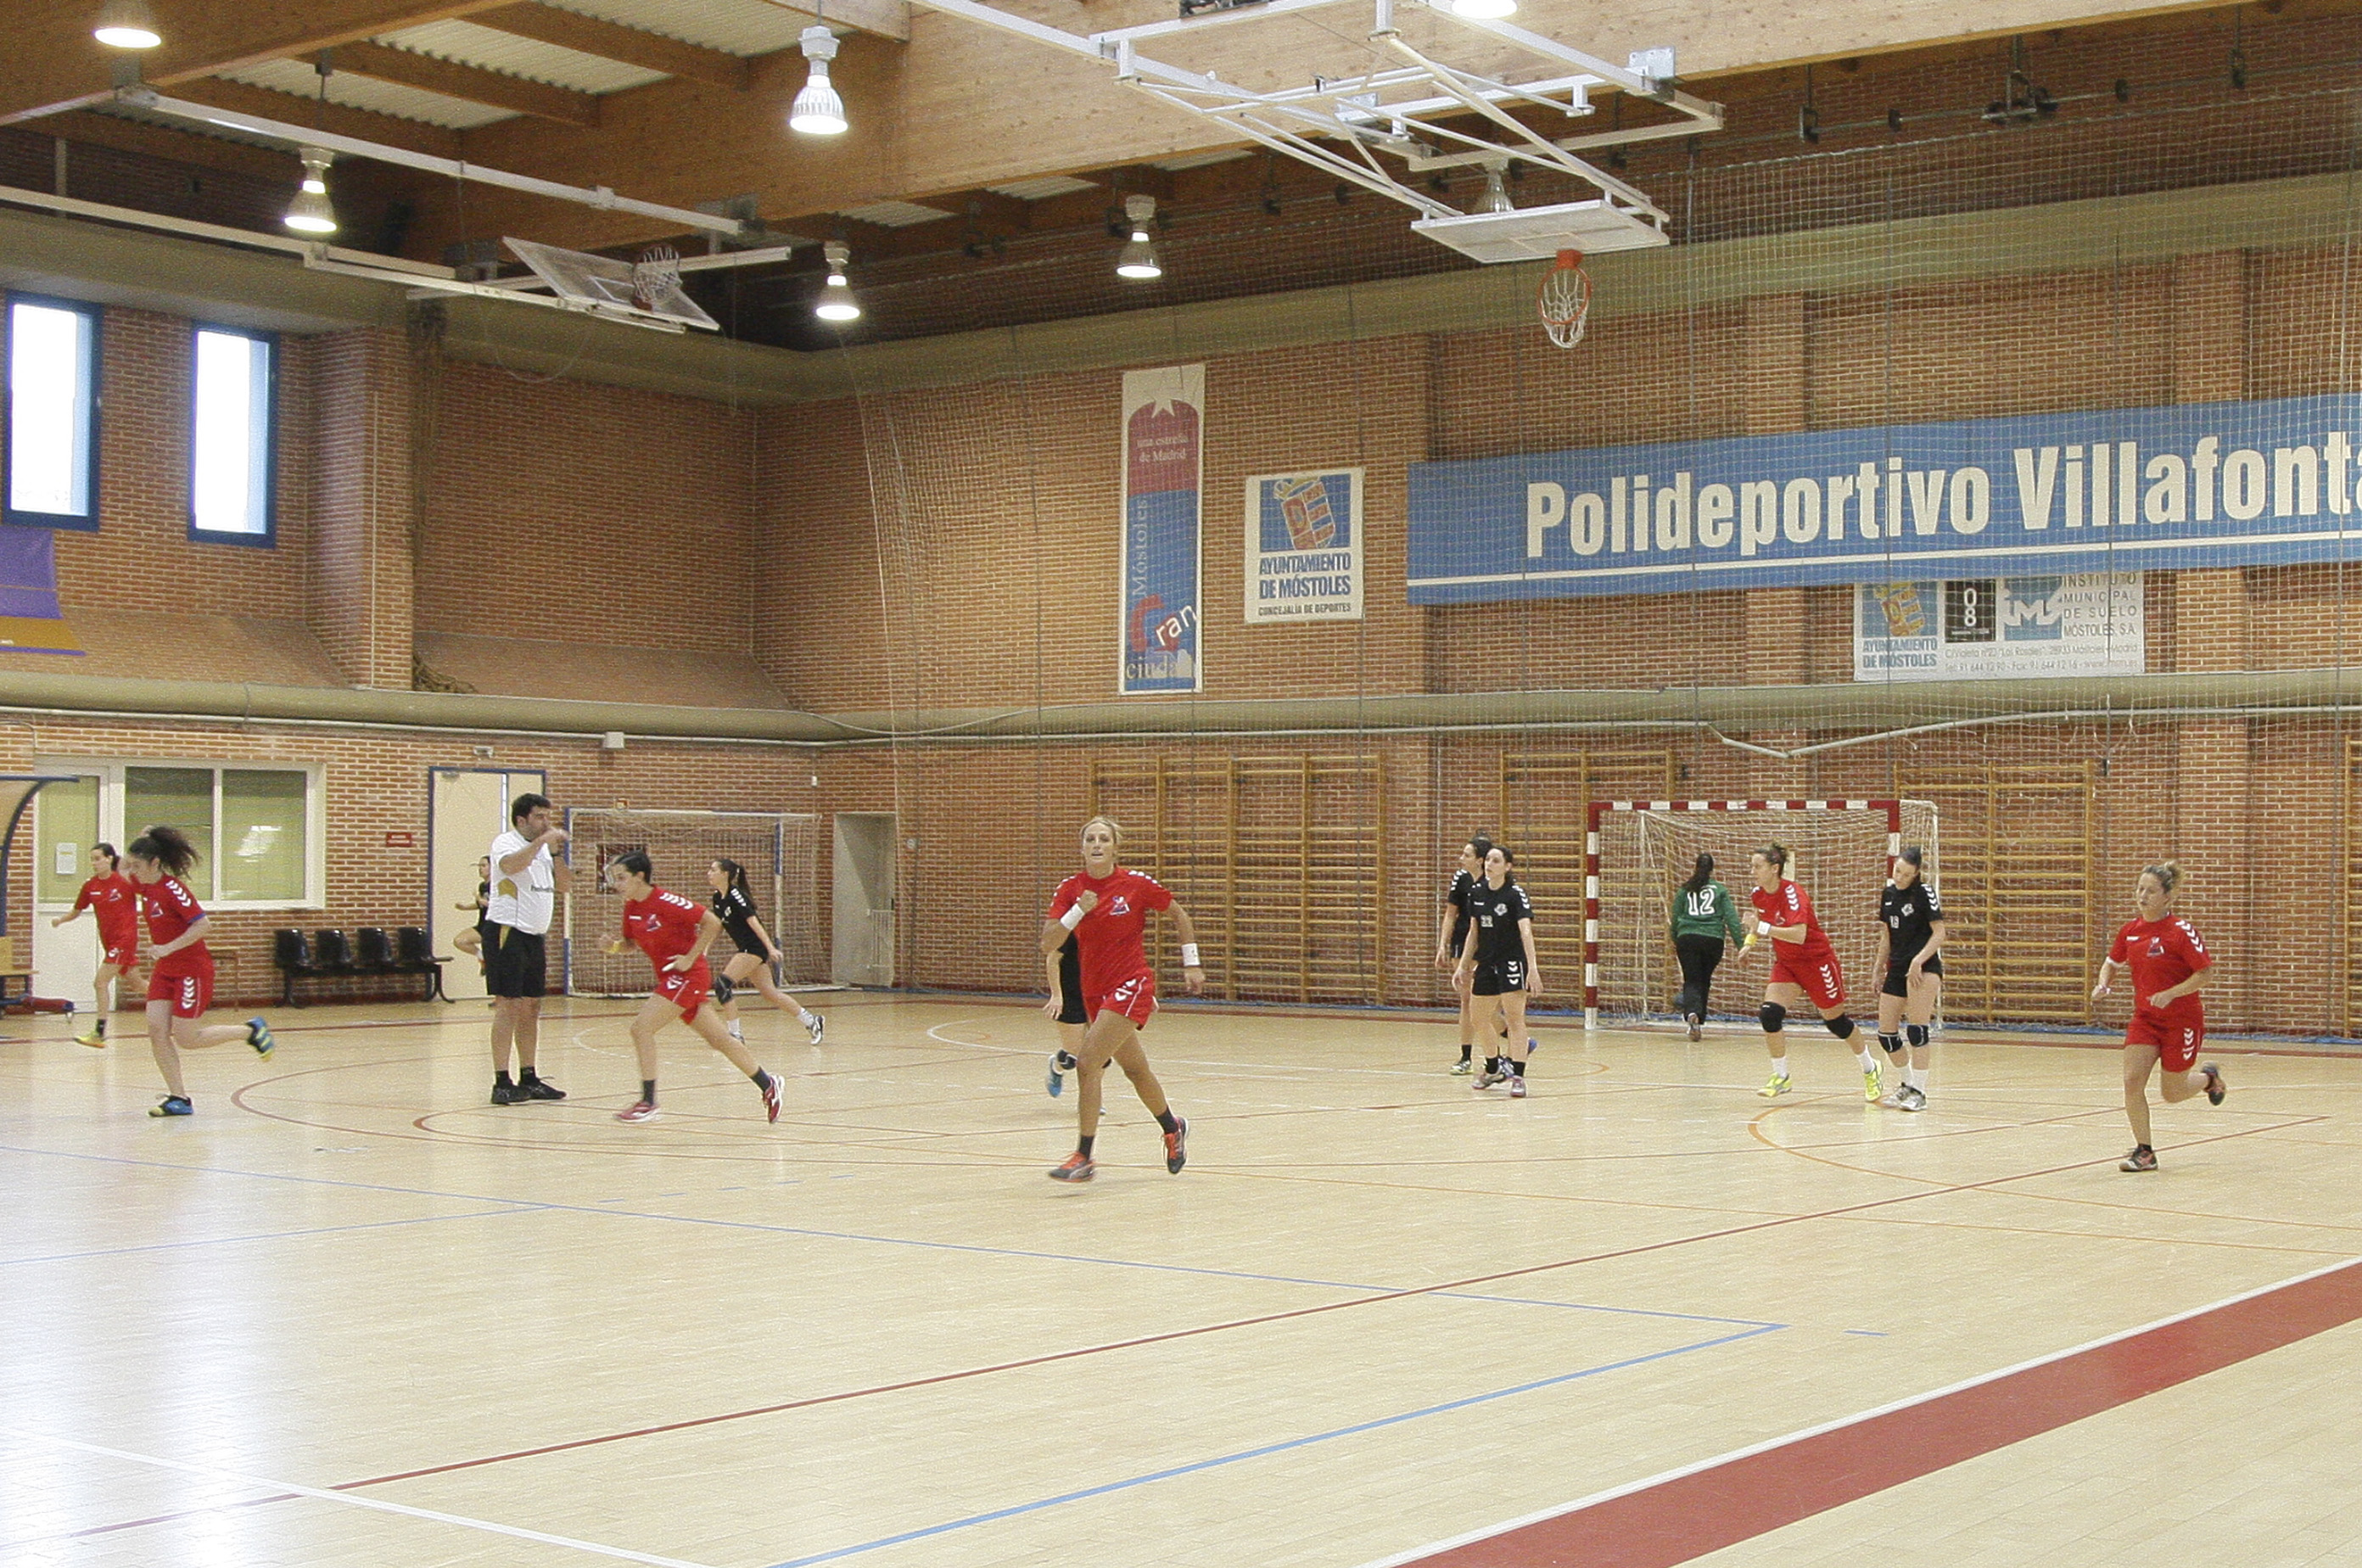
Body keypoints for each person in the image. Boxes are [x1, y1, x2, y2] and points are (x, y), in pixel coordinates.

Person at [1039, 816, 1203, 1181]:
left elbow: (1179, 914)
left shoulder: (1135, 884)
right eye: (1090, 839)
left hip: (1131, 983)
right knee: (1136, 1070)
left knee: (1087, 1063)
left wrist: (1191, 964)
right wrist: (1078, 910)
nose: (1097, 844)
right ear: (1082, 848)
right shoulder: (1071, 890)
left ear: (1116, 847)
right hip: (1094, 991)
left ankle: (1084, 1156)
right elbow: (1048, 943)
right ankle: (1172, 1126)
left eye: (1104, 839)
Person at [605, 852, 785, 1126]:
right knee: (720, 1040)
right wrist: (615, 947)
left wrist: (690, 957)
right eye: (615, 878)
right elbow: (631, 943)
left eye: (622, 878)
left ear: (640, 877)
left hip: (688, 975)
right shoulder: (632, 906)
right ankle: (768, 1083)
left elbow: (712, 922)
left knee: (641, 1028)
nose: (617, 884)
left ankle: (648, 1102)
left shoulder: (666, 901)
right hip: (670, 978)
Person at [120, 825, 274, 1117]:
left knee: (187, 1038)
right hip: (166, 970)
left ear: (155, 864)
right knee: (155, 1029)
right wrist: (143, 837)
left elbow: (204, 925)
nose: (133, 870)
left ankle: (249, 1030)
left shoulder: (173, 889)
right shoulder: (144, 884)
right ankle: (179, 1098)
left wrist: (167, 948)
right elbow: (121, 866)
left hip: (191, 970)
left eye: (138, 865)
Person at [2091, 861, 2225, 1173]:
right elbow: (2112, 963)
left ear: (2168, 896)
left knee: (2173, 1092)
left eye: (2151, 891)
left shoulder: (2181, 932)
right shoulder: (2131, 931)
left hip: (2182, 1021)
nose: (2143, 895)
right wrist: (2103, 984)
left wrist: (2172, 993)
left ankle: (2208, 1079)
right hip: (2145, 1019)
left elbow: (2205, 973)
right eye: (2140, 889)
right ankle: (2145, 1152)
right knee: (2131, 1080)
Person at [1746, 843, 1874, 1100]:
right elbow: (1762, 925)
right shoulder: (1758, 895)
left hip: (1817, 962)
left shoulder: (1794, 894)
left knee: (1837, 1023)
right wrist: (1749, 943)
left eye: (1757, 866)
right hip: (1787, 965)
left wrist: (1761, 929)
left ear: (1775, 868)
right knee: (1769, 1014)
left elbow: (1798, 934)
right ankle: (1781, 1077)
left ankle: (1871, 1068)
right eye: (1752, 866)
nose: (1752, 871)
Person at [485, 793, 568, 1106]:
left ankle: (529, 1075)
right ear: (521, 820)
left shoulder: (546, 852)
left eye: (548, 817)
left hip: (535, 935)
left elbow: (565, 885)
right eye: (539, 817)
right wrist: (540, 844)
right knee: (508, 1004)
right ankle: (501, 1080)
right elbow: (510, 866)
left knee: (532, 1006)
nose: (546, 823)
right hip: (508, 932)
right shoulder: (505, 843)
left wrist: (557, 853)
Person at [704, 858, 826, 1046]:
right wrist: (705, 950)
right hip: (745, 948)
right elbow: (718, 926)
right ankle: (812, 1020)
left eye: (713, 870)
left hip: (753, 948)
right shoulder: (717, 898)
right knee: (770, 993)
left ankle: (735, 1036)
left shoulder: (737, 895)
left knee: (722, 985)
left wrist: (770, 948)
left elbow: (754, 922)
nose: (709, 874)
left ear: (725, 874)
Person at [1458, 844, 1540, 1098]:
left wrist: (1533, 969)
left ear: (1507, 867)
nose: (1489, 864)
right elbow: (1474, 931)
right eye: (1488, 861)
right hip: (1486, 962)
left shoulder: (1515, 894)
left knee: (1515, 1021)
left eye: (1496, 861)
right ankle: (1493, 1068)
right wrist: (1463, 965)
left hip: (1512, 962)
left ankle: (1518, 1076)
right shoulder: (1476, 892)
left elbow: (1526, 931)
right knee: (1479, 1017)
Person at [1874, 846, 1945, 1112]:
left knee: (1917, 1030)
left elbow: (1940, 933)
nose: (1899, 877)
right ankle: (1906, 1085)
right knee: (1886, 1034)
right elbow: (1887, 937)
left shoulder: (1923, 893)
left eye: (1905, 874)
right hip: (1897, 966)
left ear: (1916, 874)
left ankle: (1921, 1092)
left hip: (1923, 968)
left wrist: (1919, 960)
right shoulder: (1889, 894)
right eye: (1897, 871)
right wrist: (1878, 967)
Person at [53, 843, 143, 1048]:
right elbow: (76, 911)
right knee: (137, 983)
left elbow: (147, 889)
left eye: (97, 858)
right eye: (92, 859)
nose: (94, 863)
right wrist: (61, 920)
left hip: (124, 940)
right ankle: (176, 1000)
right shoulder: (91, 885)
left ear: (109, 859)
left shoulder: (125, 881)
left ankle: (99, 1033)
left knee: (100, 983)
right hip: (109, 941)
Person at [1668, 852, 1746, 1043]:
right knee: (1704, 979)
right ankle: (1697, 1018)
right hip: (1713, 940)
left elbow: (1675, 918)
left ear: (1695, 867)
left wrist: (1675, 939)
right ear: (1712, 870)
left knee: (1692, 980)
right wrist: (1741, 945)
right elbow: (1732, 919)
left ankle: (1692, 1013)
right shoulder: (1720, 890)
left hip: (1688, 938)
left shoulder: (1684, 890)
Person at [1437, 835, 1494, 1074]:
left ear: (1480, 860)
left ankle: (1505, 1042)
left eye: (1467, 855)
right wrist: (1442, 944)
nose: (1461, 859)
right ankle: (1466, 1056)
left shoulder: (1494, 881)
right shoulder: (1460, 879)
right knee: (1467, 999)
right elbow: (1451, 914)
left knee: (1483, 1001)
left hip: (1489, 944)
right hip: (1463, 942)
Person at [1043, 927, 1085, 1098]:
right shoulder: (1071, 931)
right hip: (1070, 995)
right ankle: (1057, 1067)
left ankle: (1092, 1098)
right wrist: (1057, 995)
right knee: (1072, 1053)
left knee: (1099, 1053)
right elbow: (1052, 959)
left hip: (1096, 994)